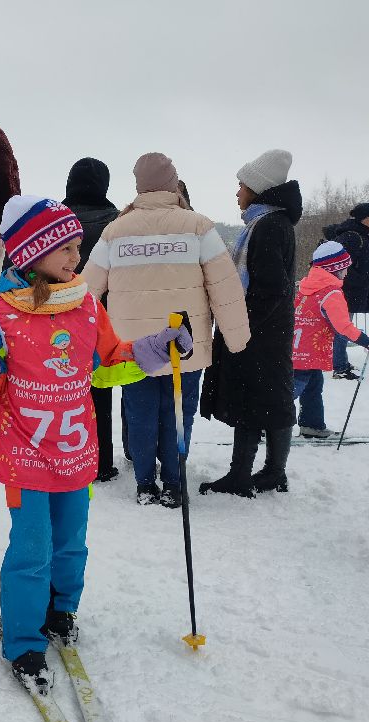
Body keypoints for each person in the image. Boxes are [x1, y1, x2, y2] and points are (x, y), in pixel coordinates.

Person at [0, 195, 189, 694]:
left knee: (70, 546)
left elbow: (108, 364)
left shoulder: (86, 304)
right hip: (25, 455)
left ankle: (61, 612)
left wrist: (157, 347)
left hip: (76, 454)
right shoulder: (1, 312)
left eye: (76, 246)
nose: (74, 256)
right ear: (29, 253)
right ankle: (23, 641)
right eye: (63, 247)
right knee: (32, 548)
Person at [83, 153, 250, 507]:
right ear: (173, 183)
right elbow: (226, 286)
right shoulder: (198, 227)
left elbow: (87, 290)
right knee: (178, 410)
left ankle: (145, 483)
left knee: (139, 411)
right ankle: (174, 482)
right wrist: (237, 340)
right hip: (184, 342)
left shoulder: (116, 230)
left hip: (132, 345)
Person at [200, 149, 302, 498]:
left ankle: (243, 474)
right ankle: (273, 472)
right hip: (271, 332)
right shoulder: (272, 223)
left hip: (259, 333)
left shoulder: (269, 226)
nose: (237, 192)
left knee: (254, 400)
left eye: (242, 185)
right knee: (272, 398)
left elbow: (271, 288)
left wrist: (241, 328)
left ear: (258, 189)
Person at [63, 157, 122, 482]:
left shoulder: (54, 221)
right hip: (103, 317)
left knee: (62, 388)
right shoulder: (116, 224)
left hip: (56, 316)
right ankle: (102, 461)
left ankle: (65, 455)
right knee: (101, 389)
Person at [292, 242, 369, 446]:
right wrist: (368, 342)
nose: (346, 273)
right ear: (334, 269)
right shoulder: (331, 293)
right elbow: (343, 327)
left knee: (312, 386)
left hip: (296, 349)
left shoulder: (306, 288)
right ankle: (267, 423)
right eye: (345, 268)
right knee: (292, 390)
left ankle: (311, 424)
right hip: (309, 350)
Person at [322, 202, 369, 379]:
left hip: (348, 290)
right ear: (366, 218)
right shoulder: (353, 236)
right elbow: (339, 266)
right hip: (345, 292)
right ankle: (339, 367)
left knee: (341, 328)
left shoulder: (359, 234)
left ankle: (340, 361)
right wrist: (355, 281)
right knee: (342, 328)